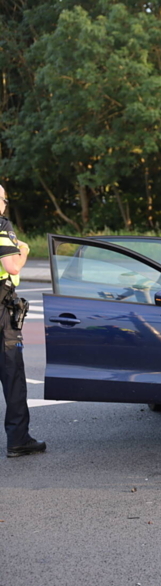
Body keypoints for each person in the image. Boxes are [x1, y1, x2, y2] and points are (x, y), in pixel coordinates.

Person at [0, 184, 45, 457]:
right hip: (1, 311)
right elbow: (12, 266)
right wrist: (24, 250)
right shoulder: (2, 225)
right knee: (12, 373)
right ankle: (18, 439)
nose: (5, 203)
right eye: (4, 199)